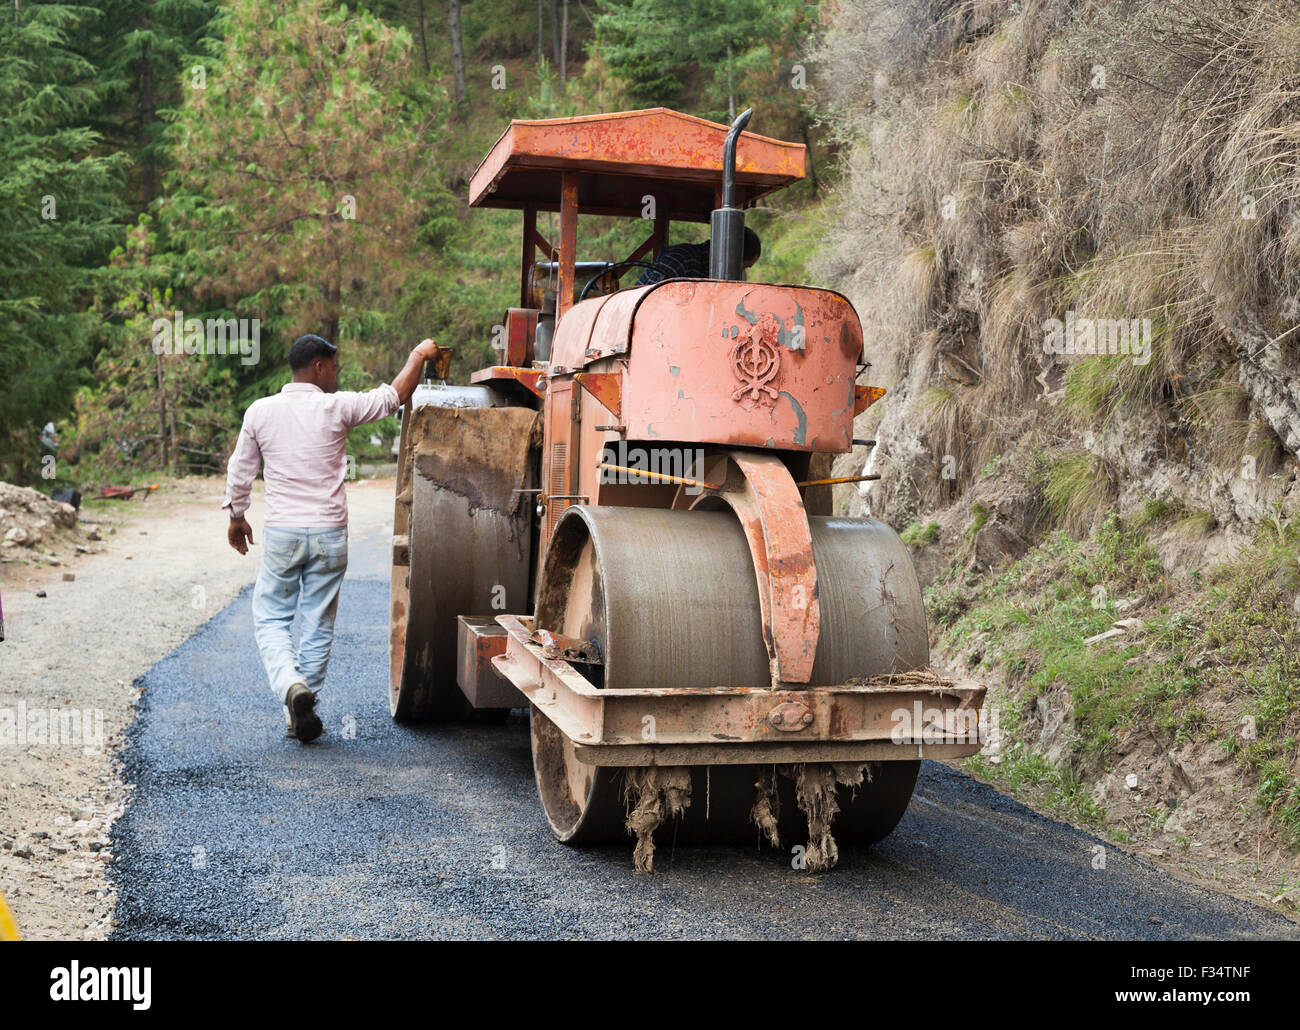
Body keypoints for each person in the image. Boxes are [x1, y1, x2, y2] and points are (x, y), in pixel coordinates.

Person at [222, 333, 442, 742]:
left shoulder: (260, 411)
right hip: (330, 534)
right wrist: (418, 354)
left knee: (271, 618)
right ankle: (302, 706)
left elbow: (241, 470)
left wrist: (237, 515)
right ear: (319, 366)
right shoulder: (337, 407)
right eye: (334, 367)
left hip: (284, 533)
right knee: (318, 622)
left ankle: (291, 687)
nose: (337, 376)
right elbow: (393, 396)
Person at [633, 226, 762, 285]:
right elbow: (647, 300)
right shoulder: (681, 259)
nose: (741, 274)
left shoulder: (709, 273)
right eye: (742, 268)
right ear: (732, 260)